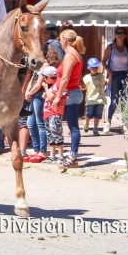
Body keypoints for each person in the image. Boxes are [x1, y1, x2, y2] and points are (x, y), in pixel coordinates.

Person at [53, 29, 86, 169]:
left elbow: (65, 78)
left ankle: (73, 157)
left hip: (70, 93)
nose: (60, 41)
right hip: (73, 91)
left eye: (61, 39)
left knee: (73, 126)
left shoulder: (70, 55)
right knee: (72, 126)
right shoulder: (75, 54)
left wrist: (58, 96)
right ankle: (72, 155)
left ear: (65, 40)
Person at [102, 27, 128, 127]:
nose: (119, 34)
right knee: (114, 100)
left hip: (125, 74)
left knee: (125, 100)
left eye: (121, 33)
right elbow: (103, 61)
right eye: (117, 32)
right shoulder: (110, 47)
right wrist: (108, 70)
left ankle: (125, 124)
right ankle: (108, 121)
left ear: (125, 35)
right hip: (114, 75)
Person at [40, 66, 65, 164]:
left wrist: (46, 89)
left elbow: (53, 98)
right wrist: (46, 93)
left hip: (54, 113)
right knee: (50, 135)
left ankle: (61, 156)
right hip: (48, 113)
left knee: (56, 133)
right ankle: (52, 155)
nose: (44, 80)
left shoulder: (57, 86)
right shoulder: (51, 87)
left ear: (49, 77)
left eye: (44, 77)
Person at [82, 57, 107, 136]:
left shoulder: (101, 76)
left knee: (98, 115)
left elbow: (105, 83)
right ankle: (86, 123)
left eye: (96, 67)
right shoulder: (86, 78)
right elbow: (84, 86)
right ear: (89, 68)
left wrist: (110, 76)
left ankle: (95, 128)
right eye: (93, 67)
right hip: (90, 99)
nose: (95, 69)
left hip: (100, 99)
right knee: (88, 114)